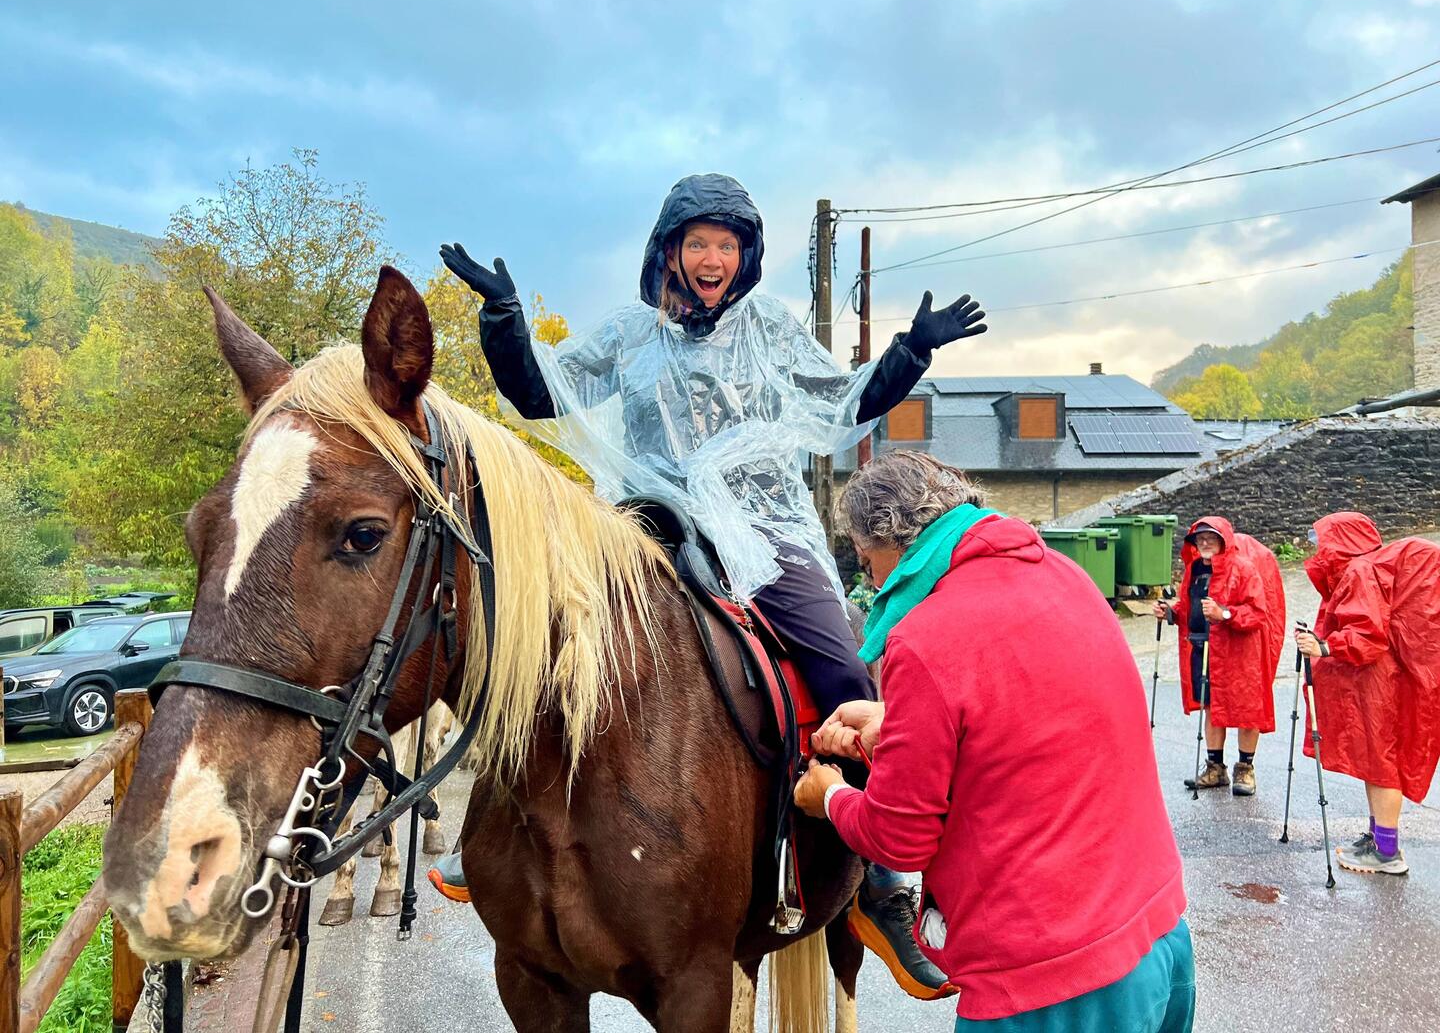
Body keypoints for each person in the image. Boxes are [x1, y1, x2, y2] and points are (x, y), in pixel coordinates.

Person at [433, 174, 989, 993]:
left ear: (746, 256)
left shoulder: (768, 327)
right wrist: (504, 320)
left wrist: (911, 350)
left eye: (727, 245)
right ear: (669, 250)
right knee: (549, 644)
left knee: (843, 670)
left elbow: (841, 404)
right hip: (649, 521)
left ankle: (879, 882)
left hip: (763, 529)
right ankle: (497, 821)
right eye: (698, 243)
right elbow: (538, 392)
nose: (712, 259)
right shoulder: (629, 335)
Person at [797, 451, 1193, 1031]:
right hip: (1157, 930)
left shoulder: (924, 638)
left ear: (885, 545)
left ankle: (880, 904)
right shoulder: (1063, 573)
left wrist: (829, 795)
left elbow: (899, 838)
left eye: (866, 560)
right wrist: (896, 724)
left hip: (1054, 982)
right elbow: (1025, 717)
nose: (872, 580)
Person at [1295, 512, 1440, 876]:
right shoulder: (1371, 567)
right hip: (1380, 681)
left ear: (1340, 540)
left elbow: (1367, 636)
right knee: (1376, 760)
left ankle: (1387, 852)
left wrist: (1325, 647)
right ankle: (1379, 839)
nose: (1315, 547)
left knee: (1381, 763)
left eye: (1320, 539)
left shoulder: (1361, 571)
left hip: (1376, 683)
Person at [1154, 517, 1284, 796]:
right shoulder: (1195, 569)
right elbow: (1189, 607)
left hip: (1239, 652)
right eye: (1199, 538)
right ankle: (1215, 768)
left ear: (1224, 540)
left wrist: (1225, 614)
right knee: (1211, 705)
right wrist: (1171, 613)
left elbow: (1258, 614)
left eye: (1210, 538)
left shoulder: (1244, 569)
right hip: (1205, 648)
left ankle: (1245, 769)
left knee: (1247, 708)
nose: (1204, 543)